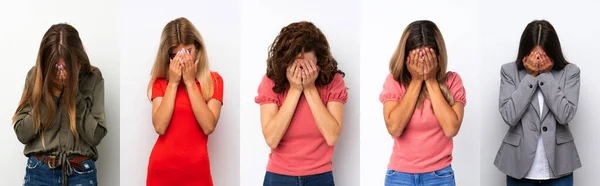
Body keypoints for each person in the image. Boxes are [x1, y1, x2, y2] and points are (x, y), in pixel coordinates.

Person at [13, 23, 107, 186]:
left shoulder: (92, 77)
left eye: (65, 66)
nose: (60, 72)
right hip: (39, 172)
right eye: (55, 66)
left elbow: (95, 136)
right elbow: (22, 133)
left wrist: (73, 92)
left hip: (80, 173)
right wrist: (52, 92)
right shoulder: (35, 76)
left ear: (76, 60)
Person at [255, 21, 348, 186]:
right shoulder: (270, 82)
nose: (301, 72)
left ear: (318, 60)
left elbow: (332, 136)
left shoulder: (333, 82)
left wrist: (310, 88)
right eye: (296, 66)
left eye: (307, 66)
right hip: (278, 177)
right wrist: (295, 89)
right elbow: (271, 138)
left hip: (320, 176)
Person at [380, 20, 466, 186]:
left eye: (428, 59)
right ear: (406, 58)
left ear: (438, 57)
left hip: (440, 176)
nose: (423, 65)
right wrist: (416, 80)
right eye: (417, 59)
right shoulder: (394, 82)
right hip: (400, 177)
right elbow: (394, 128)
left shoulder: (453, 81)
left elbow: (451, 128)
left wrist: (431, 80)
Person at [495, 20, 581, 186]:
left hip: (560, 165)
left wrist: (546, 76)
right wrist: (531, 76)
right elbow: (509, 116)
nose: (539, 61)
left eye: (544, 56)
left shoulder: (570, 72)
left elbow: (566, 115)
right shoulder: (509, 71)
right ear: (525, 54)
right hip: (518, 165)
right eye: (535, 56)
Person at [146, 17, 224, 186]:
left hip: (198, 173)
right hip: (161, 171)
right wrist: (173, 83)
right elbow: (160, 126)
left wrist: (189, 82)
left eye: (187, 52)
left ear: (198, 49)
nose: (181, 60)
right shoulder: (160, 83)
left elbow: (208, 126)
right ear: (167, 56)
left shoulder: (214, 81)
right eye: (175, 55)